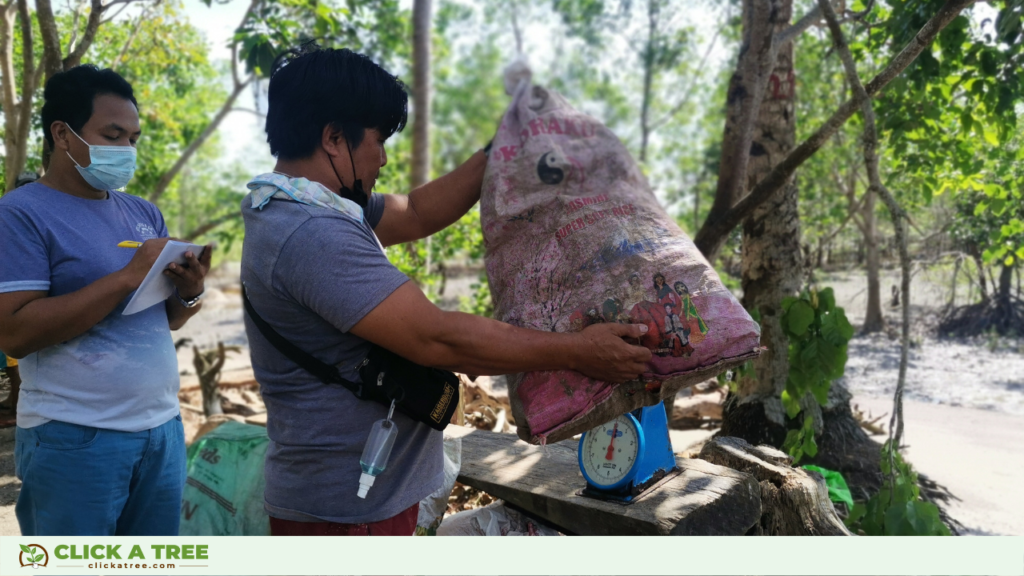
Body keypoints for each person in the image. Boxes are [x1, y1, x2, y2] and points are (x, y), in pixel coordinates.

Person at [240, 46, 652, 537]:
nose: (385, 158)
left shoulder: (311, 205)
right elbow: (437, 338)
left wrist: (501, 144)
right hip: (346, 513)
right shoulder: (311, 232)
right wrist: (580, 352)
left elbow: (415, 211)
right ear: (333, 138)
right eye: (377, 140)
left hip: (362, 498)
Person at [0, 65, 212, 536]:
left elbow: (166, 320)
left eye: (133, 139)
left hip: (162, 430)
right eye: (113, 135)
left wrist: (190, 291)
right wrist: (125, 277)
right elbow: (15, 331)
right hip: (74, 436)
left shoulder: (142, 212)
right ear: (63, 134)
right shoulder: (20, 214)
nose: (126, 151)